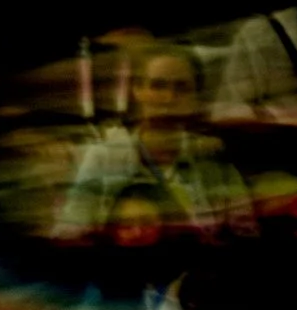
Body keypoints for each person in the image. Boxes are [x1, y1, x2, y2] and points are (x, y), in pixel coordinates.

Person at [54, 43, 253, 243]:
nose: (169, 98)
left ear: (196, 97)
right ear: (137, 90)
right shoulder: (105, 157)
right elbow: (70, 231)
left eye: (182, 88)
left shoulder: (211, 156)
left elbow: (246, 231)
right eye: (158, 86)